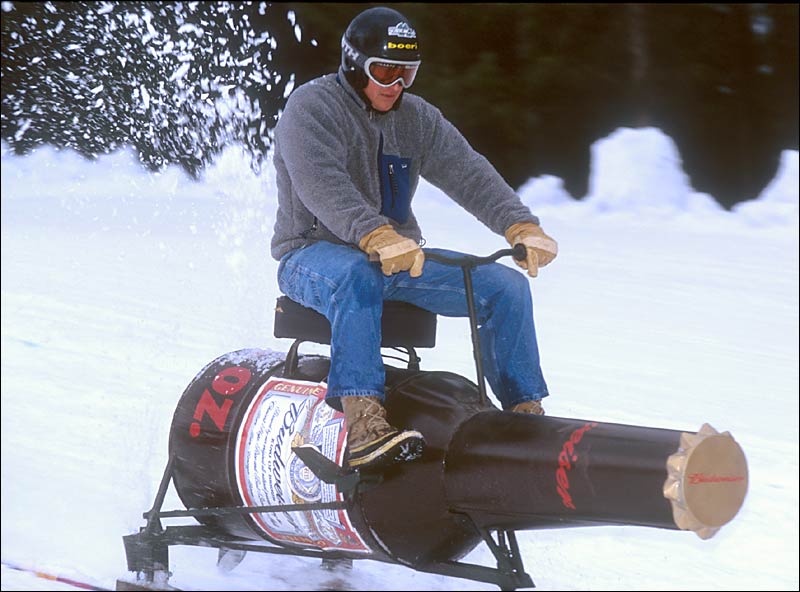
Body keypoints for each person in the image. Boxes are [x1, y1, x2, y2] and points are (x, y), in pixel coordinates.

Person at [271, 7, 558, 471]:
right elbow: (321, 184)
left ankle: (523, 416)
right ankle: (362, 421)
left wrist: (518, 224)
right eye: (385, 72)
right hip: (312, 255)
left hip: (397, 259)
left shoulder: (417, 118)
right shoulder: (312, 108)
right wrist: (373, 232)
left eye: (407, 73)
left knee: (505, 287)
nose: (396, 85)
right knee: (357, 275)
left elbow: (468, 172)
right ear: (353, 63)